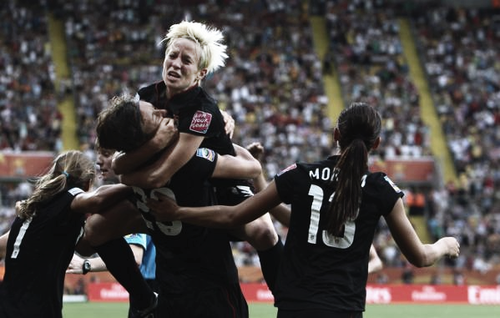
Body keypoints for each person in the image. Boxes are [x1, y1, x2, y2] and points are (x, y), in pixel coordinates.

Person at [148, 102, 460, 318]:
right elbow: (419, 257)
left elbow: (234, 215)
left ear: (336, 134)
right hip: (343, 307)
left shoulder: (301, 174)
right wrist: (444, 244)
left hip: (294, 306)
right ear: (376, 144)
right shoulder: (381, 189)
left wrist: (178, 212)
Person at [104, 20, 283, 292]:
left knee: (264, 232)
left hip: (214, 179)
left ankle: (288, 298)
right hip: (173, 180)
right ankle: (142, 297)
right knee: (95, 230)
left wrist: (126, 173)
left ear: (200, 74)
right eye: (172, 55)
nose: (175, 64)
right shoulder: (145, 96)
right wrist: (130, 164)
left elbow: (159, 173)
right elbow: (120, 161)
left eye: (186, 60)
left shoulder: (202, 110)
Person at [94, 94, 267, 317]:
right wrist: (218, 139)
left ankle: (143, 297)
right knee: (263, 232)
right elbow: (252, 168)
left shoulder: (129, 170)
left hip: (168, 286)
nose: (162, 112)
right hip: (212, 287)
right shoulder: (190, 161)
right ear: (143, 136)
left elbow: (94, 232)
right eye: (153, 116)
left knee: (95, 230)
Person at [0, 151, 133, 318]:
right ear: (87, 183)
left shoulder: (37, 206)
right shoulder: (68, 197)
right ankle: (144, 298)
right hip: (36, 310)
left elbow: (85, 248)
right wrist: (135, 185)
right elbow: (97, 200)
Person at [246, 142, 384, 275]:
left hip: (302, 286)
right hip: (338, 290)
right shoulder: (319, 219)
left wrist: (256, 170)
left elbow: (270, 205)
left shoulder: (344, 224)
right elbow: (376, 261)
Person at [67, 144, 157, 293]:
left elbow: (134, 256)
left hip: (153, 286)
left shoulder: (131, 201)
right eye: (98, 154)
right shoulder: (136, 192)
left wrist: (86, 264)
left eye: (106, 154)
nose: (98, 161)